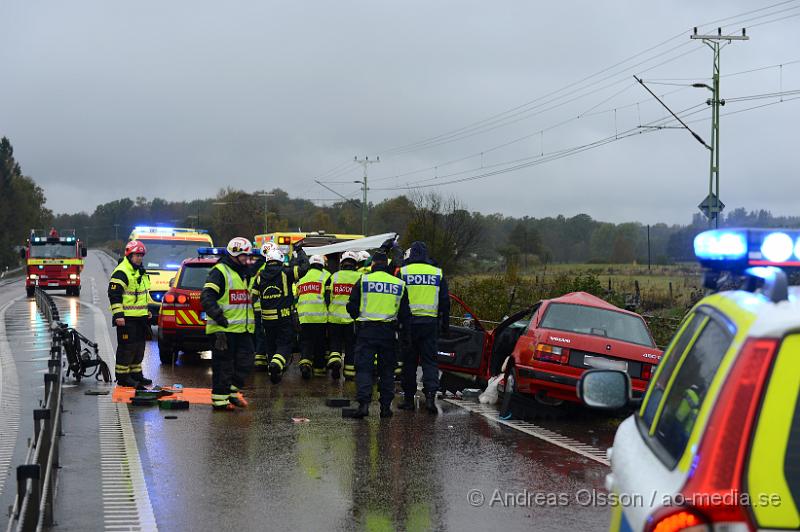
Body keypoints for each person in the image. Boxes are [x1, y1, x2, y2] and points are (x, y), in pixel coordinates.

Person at [346, 251, 410, 418]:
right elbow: (405, 314)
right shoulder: (399, 284)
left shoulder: (364, 280)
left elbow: (351, 306)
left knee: (364, 369)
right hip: (389, 333)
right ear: (386, 264)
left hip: (366, 331)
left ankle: (364, 405)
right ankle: (385, 408)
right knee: (387, 370)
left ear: (372, 264)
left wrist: (358, 316)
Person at [201, 237, 257, 411]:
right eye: (244, 256)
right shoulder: (220, 271)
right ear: (234, 254)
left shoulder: (243, 272)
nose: (247, 259)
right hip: (222, 329)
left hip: (242, 329)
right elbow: (207, 297)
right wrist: (219, 317)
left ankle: (232, 392)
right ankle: (219, 401)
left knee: (246, 362)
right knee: (223, 366)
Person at [397, 241, 450, 414]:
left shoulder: (403, 272)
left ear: (411, 255)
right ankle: (430, 398)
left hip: (409, 324)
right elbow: (444, 301)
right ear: (426, 256)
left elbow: (397, 299)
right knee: (430, 362)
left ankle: (409, 401)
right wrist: (445, 324)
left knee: (409, 363)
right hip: (430, 323)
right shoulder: (437, 273)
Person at [252, 243, 308, 383]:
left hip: (266, 319)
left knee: (271, 345)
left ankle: (274, 372)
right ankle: (276, 365)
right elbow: (304, 268)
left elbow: (252, 297)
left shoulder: (260, 277)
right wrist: (300, 251)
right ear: (280, 260)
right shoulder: (285, 272)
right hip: (283, 318)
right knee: (285, 344)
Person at [108, 240, 152, 387]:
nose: (139, 258)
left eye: (141, 255)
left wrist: (147, 312)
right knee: (127, 349)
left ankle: (136, 375)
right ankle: (123, 377)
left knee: (139, 348)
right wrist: (118, 315)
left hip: (140, 318)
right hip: (126, 319)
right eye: (136, 255)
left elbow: (142, 295)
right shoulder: (122, 272)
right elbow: (114, 295)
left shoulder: (140, 271)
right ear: (129, 255)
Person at [326, 250, 362, 381]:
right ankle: (349, 373)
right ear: (355, 264)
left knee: (334, 344)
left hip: (334, 318)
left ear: (342, 264)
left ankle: (335, 362)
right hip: (352, 320)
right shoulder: (360, 277)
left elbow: (327, 297)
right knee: (350, 347)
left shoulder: (334, 277)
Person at [296, 254, 330, 379]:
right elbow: (328, 297)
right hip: (320, 317)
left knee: (306, 342)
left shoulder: (303, 277)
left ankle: (305, 364)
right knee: (319, 343)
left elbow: (297, 295)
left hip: (304, 317)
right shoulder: (326, 275)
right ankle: (319, 369)